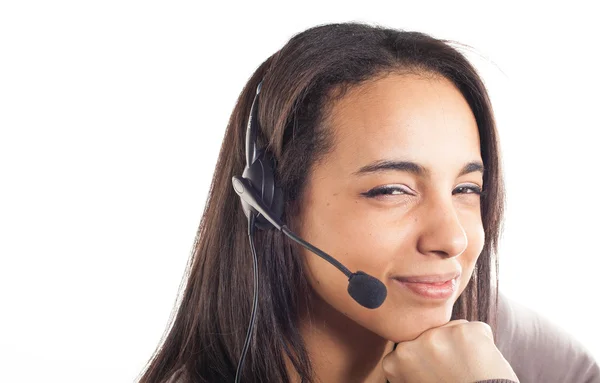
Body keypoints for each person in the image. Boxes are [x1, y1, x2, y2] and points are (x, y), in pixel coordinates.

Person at [137, 22, 600, 383]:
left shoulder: (500, 338)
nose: (452, 239)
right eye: (393, 190)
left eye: (466, 189)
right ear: (271, 206)